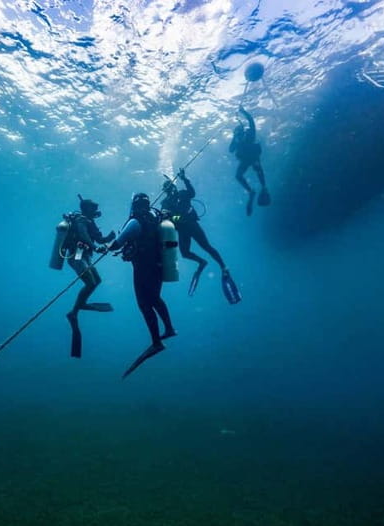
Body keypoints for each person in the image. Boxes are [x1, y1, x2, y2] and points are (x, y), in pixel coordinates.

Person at [109, 193, 177, 378]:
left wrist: (106, 247)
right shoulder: (155, 216)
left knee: (144, 303)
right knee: (155, 298)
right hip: (159, 266)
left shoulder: (135, 222)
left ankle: (156, 342)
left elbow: (117, 244)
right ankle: (169, 329)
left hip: (143, 268)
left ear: (134, 206)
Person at [160, 168, 228, 296]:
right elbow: (166, 218)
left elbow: (192, 193)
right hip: (183, 229)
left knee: (206, 247)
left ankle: (223, 266)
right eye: (167, 189)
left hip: (192, 226)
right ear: (165, 191)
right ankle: (202, 262)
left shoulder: (182, 194)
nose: (170, 190)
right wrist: (173, 217)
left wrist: (185, 179)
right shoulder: (165, 203)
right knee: (185, 253)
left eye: (170, 188)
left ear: (172, 187)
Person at [63, 196, 115, 358]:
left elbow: (98, 238)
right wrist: (95, 246)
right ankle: (75, 311)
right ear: (87, 209)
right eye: (94, 208)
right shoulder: (80, 220)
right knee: (90, 283)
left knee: (96, 281)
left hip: (84, 255)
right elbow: (84, 235)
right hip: (76, 255)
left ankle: (80, 306)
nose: (97, 211)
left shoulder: (89, 221)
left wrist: (109, 238)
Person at [229, 105, 270, 215]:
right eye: (236, 133)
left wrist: (243, 111)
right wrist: (235, 138)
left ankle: (263, 187)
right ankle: (251, 191)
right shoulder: (237, 139)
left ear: (243, 131)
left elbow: (251, 121)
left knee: (258, 169)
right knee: (238, 176)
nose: (238, 134)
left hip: (252, 157)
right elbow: (230, 150)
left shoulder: (250, 135)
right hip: (246, 160)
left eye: (239, 132)